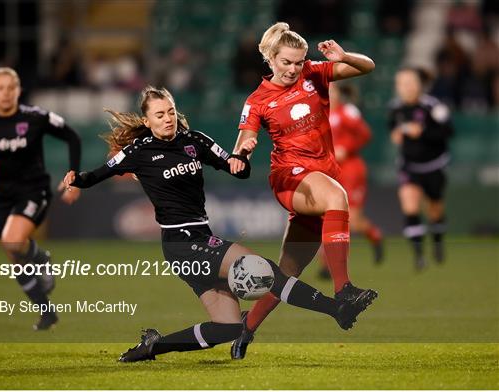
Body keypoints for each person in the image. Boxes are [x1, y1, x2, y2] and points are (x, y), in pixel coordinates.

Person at [62, 86, 376, 362]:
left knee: (226, 328)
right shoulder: (138, 152)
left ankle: (153, 347)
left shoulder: (195, 141)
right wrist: (76, 179)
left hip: (199, 238)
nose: (167, 118)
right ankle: (337, 308)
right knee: (264, 271)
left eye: (170, 111)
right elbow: (97, 174)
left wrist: (242, 159)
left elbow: (235, 168)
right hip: (181, 244)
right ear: (147, 121)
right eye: (159, 115)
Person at [231, 22, 378, 359]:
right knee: (337, 197)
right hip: (290, 177)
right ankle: (344, 291)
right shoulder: (257, 100)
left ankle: (245, 329)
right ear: (271, 59)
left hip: (321, 178)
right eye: (286, 62)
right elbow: (243, 138)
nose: (294, 69)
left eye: (298, 62)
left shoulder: (314, 74)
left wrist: (344, 56)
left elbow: (367, 65)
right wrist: (245, 148)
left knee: (286, 274)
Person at [0, 67, 82, 329]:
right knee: (13, 255)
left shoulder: (35, 116)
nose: (6, 93)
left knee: (12, 240)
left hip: (34, 189)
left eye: (11, 88)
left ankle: (41, 258)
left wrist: (73, 176)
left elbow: (72, 136)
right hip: (1, 196)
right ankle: (47, 312)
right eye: (0, 88)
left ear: (19, 90)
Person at [388, 67, 453, 270]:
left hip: (434, 166)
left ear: (419, 85)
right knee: (410, 207)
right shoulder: (395, 108)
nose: (406, 88)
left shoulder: (434, 107)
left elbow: (448, 132)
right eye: (402, 84)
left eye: (410, 83)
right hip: (409, 166)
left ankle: (438, 242)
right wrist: (396, 134)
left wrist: (423, 133)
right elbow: (392, 127)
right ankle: (418, 256)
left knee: (434, 210)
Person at [318, 83, 383, 280]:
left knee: (352, 221)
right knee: (326, 219)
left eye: (331, 90)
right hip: (329, 172)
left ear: (338, 93)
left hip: (351, 171)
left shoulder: (347, 112)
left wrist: (346, 147)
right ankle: (327, 266)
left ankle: (375, 236)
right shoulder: (316, 116)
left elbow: (365, 135)